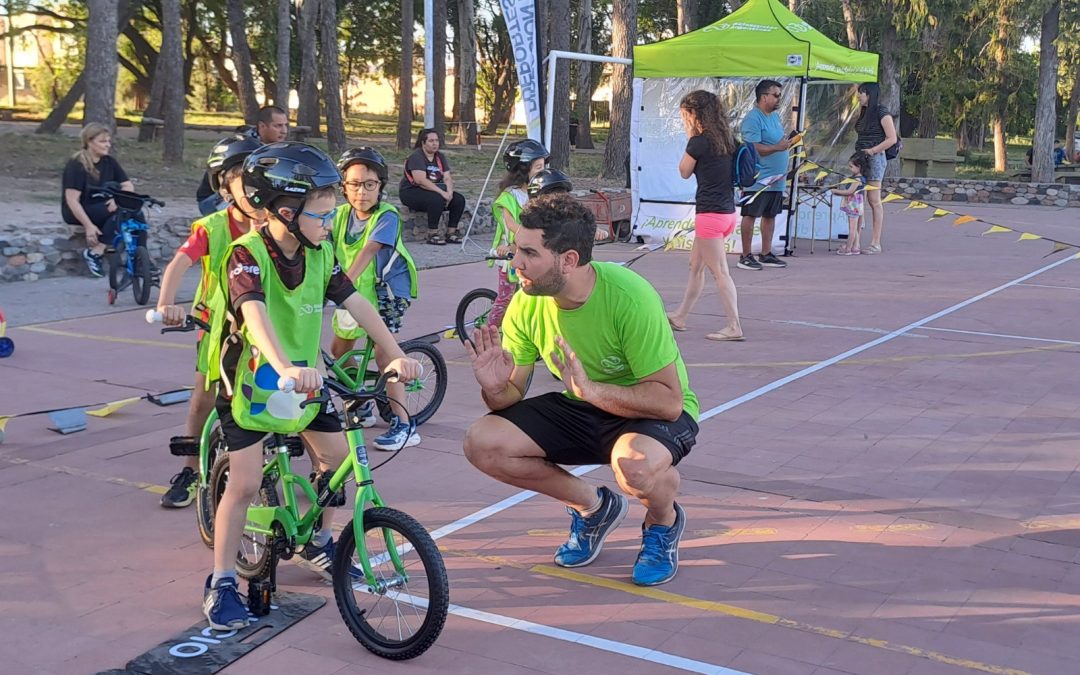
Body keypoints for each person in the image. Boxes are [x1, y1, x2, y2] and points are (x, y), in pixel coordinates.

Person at [201, 141, 421, 630]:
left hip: (304, 379)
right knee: (245, 483)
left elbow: (357, 303)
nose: (329, 223)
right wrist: (282, 365)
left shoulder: (320, 254)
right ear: (285, 211)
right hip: (253, 383)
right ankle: (221, 582)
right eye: (321, 214)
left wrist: (395, 354)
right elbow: (253, 313)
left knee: (338, 460)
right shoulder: (246, 255)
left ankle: (319, 541)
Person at [463, 194, 700, 587]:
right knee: (482, 442)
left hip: (651, 411)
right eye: (516, 249)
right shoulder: (526, 304)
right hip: (584, 402)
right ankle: (593, 508)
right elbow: (509, 396)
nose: (515, 262)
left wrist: (591, 389)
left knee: (635, 466)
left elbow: (670, 402)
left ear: (568, 260)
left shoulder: (629, 297)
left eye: (529, 253)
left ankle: (662, 521)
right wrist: (494, 388)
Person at [154, 134, 265, 508]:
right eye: (242, 180)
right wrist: (167, 303)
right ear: (224, 188)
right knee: (203, 399)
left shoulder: (276, 222)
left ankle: (289, 467)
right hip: (217, 327)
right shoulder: (212, 227)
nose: (252, 190)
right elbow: (179, 263)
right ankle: (191, 470)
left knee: (276, 395)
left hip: (264, 325)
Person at [329, 147, 421, 451]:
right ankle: (362, 405)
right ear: (343, 186)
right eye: (354, 184)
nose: (362, 192)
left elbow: (368, 252)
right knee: (339, 350)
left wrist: (339, 287)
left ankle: (404, 424)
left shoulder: (387, 216)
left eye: (370, 184)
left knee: (385, 355)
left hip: (387, 293)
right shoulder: (339, 216)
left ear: (381, 186)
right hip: (353, 292)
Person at [666, 90, 744, 342]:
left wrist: (691, 137)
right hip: (727, 212)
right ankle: (680, 316)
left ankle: (734, 325)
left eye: (685, 115)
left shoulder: (698, 142)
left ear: (694, 114)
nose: (683, 121)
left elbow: (684, 171)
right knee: (695, 266)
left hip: (709, 214)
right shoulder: (728, 140)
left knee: (720, 272)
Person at [488, 139, 550, 328]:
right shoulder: (509, 196)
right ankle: (488, 331)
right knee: (505, 299)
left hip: (531, 251)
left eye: (544, 167)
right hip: (511, 253)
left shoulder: (540, 193)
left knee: (534, 297)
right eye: (538, 167)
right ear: (523, 170)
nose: (543, 171)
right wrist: (533, 235)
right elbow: (511, 225)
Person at [61, 123, 135, 277]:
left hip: (102, 206)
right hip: (79, 209)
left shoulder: (109, 162)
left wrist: (119, 199)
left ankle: (141, 258)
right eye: (102, 141)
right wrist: (88, 226)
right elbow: (72, 200)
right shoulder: (76, 164)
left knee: (136, 212)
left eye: (108, 141)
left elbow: (128, 185)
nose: (107, 145)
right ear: (89, 142)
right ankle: (95, 252)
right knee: (120, 214)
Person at [195, 106, 289, 216]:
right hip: (214, 200)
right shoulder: (241, 148)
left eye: (285, 125)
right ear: (262, 126)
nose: (284, 131)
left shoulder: (278, 148)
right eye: (278, 126)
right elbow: (234, 186)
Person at [737, 80, 790, 271]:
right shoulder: (753, 118)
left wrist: (787, 143)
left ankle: (766, 253)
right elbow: (752, 147)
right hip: (758, 178)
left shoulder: (774, 117)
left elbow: (777, 142)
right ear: (764, 97)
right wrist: (777, 147)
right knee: (751, 214)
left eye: (780, 95)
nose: (779, 99)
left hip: (776, 179)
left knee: (770, 215)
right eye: (776, 95)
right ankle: (745, 255)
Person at [398, 128, 467, 245]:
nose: (435, 144)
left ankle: (451, 233)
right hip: (412, 191)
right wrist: (442, 193)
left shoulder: (440, 157)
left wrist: (449, 192)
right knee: (436, 200)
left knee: (459, 200)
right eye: (431, 141)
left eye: (436, 140)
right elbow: (420, 180)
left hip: (435, 189)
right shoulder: (417, 157)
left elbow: (447, 177)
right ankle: (432, 234)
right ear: (423, 143)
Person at [853, 82, 897, 255]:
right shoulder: (864, 113)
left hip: (875, 158)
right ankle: (855, 240)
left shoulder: (882, 112)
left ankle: (875, 242)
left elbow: (892, 138)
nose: (858, 96)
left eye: (862, 93)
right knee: (858, 198)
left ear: (870, 94)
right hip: (860, 158)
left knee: (874, 200)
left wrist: (872, 151)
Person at [831, 152, 871, 256]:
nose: (850, 169)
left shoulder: (857, 179)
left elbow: (850, 191)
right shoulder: (862, 179)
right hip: (858, 205)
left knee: (852, 229)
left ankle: (848, 248)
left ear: (859, 167)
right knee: (855, 228)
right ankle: (855, 247)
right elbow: (864, 194)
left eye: (851, 166)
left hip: (853, 205)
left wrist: (835, 191)